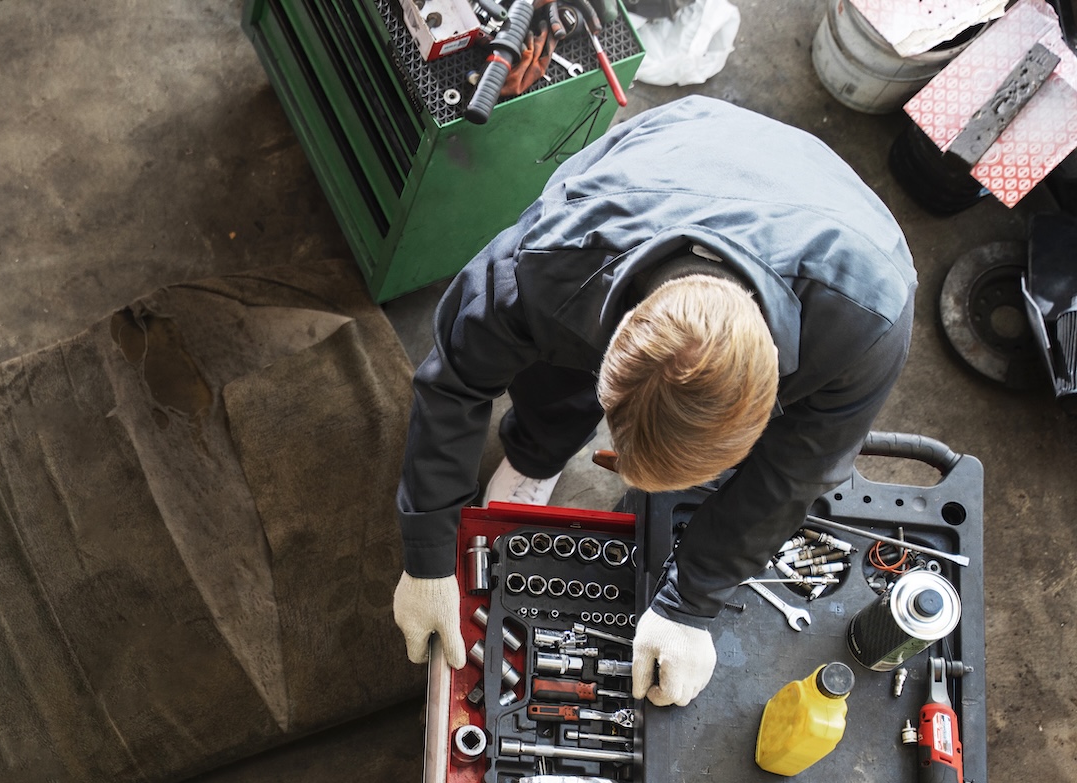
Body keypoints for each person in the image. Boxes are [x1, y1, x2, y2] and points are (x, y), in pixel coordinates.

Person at [391, 97, 916, 707]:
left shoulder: (867, 328)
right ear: (612, 351)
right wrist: (428, 553)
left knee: (789, 474)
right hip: (678, 148)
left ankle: (544, 449)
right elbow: (455, 378)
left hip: (835, 221)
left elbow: (791, 475)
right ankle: (537, 453)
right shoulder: (552, 258)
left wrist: (690, 602)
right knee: (551, 375)